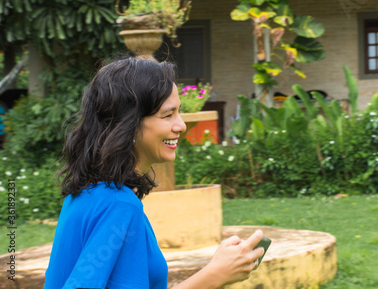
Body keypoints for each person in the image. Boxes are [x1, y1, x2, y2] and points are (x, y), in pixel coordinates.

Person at [44, 58, 265, 288]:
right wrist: (215, 275)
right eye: (168, 115)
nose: (181, 125)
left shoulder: (86, 195)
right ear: (128, 124)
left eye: (178, 112)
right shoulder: (119, 205)